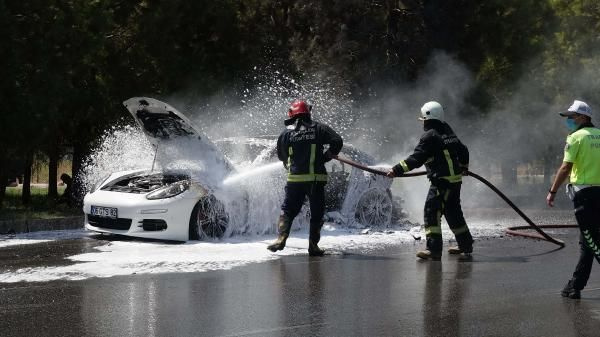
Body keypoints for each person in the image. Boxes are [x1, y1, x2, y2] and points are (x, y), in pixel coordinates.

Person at [387, 101, 473, 260]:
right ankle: (466, 244)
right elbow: (463, 150)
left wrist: (396, 170)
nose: (423, 123)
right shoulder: (447, 129)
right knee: (453, 212)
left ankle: (433, 250)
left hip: (442, 182)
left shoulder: (429, 136)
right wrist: (464, 167)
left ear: (428, 118)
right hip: (455, 181)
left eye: (423, 119)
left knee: (431, 212)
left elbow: (416, 159)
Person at [267, 100, 343, 256]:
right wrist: (328, 155)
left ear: (292, 114)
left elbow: (281, 156)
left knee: (288, 210)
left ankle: (281, 238)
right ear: (308, 113)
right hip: (315, 180)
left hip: (295, 180)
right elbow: (337, 141)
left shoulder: (286, 133)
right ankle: (313, 246)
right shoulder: (319, 128)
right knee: (317, 213)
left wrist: (291, 165)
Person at [547, 99, 600, 299]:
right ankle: (574, 286)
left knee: (590, 241)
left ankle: (575, 286)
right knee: (588, 241)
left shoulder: (576, 137)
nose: (568, 120)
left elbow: (566, 167)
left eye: (571, 117)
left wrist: (552, 191)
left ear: (583, 117)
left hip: (585, 195)